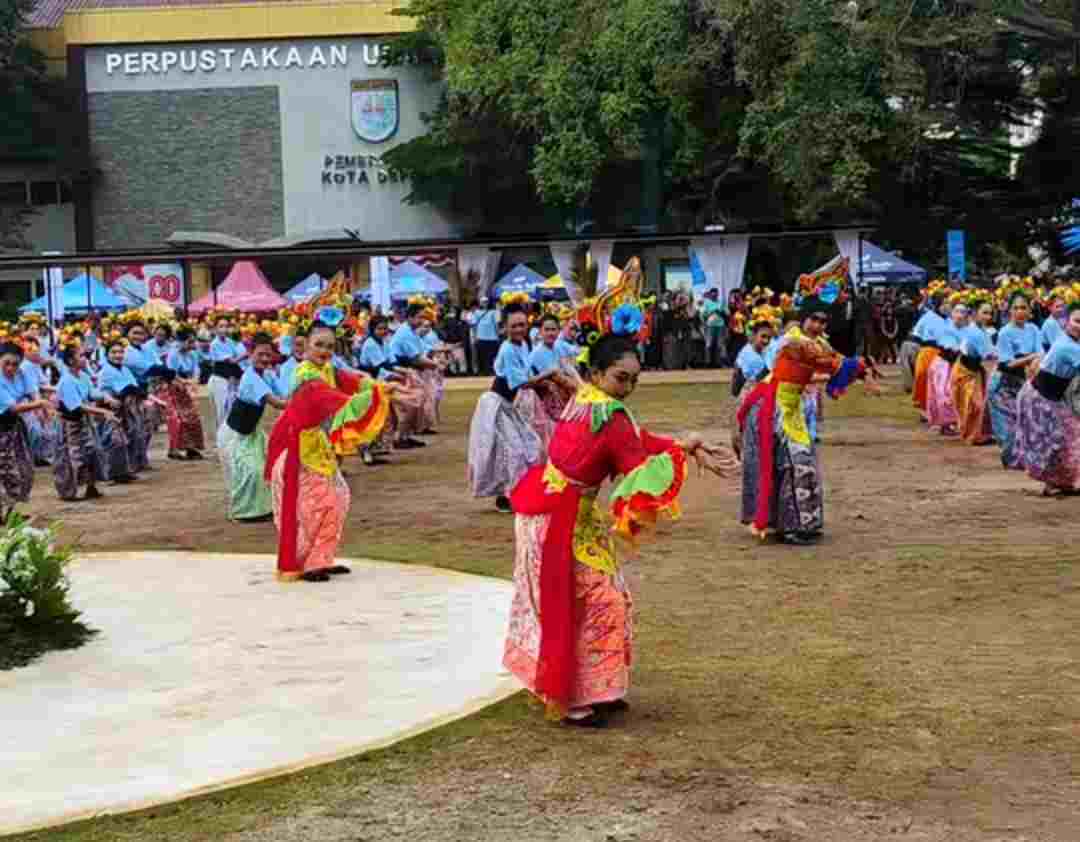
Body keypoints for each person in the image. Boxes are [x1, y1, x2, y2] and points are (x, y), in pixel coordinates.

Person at [503, 280, 736, 727]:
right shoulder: (606, 412)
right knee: (596, 601)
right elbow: (636, 462)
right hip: (561, 519)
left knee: (596, 599)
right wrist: (683, 448)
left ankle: (596, 688)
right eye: (620, 378)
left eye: (634, 379)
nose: (627, 387)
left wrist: (682, 445)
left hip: (552, 510)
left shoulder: (588, 398)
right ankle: (576, 698)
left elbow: (636, 439)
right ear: (596, 375)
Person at [737, 293, 873, 545]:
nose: (818, 325)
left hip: (789, 406)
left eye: (823, 321)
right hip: (772, 406)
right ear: (803, 319)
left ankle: (800, 523)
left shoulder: (818, 342)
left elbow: (833, 361)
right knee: (793, 463)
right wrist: (859, 368)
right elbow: (828, 361)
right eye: (814, 319)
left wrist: (860, 370)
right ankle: (790, 526)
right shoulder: (794, 341)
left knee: (799, 461)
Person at [265, 318, 392, 582]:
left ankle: (320, 558)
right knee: (320, 503)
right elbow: (334, 399)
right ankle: (307, 562)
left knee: (338, 498)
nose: (325, 351)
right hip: (298, 446)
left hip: (314, 442)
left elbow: (350, 380)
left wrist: (373, 385)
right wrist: (375, 395)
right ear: (305, 345)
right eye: (319, 345)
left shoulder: (325, 369)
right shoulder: (306, 376)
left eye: (330, 346)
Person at [467, 302, 544, 513]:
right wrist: (549, 376)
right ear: (504, 328)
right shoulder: (508, 349)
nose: (519, 329)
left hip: (509, 404)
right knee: (514, 450)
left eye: (522, 324)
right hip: (496, 404)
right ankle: (510, 496)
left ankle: (514, 493)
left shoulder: (524, 344)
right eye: (514, 326)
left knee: (530, 445)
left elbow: (528, 372)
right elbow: (521, 382)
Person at [1013, 301, 1080, 496]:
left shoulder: (1071, 342)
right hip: (1039, 398)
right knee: (1054, 441)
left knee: (1068, 437)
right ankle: (1053, 483)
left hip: (1051, 397)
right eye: (1077, 321)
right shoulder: (1068, 346)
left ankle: (1063, 481)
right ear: (1066, 322)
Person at [219, 333, 288, 522]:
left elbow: (285, 393)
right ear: (250, 354)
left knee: (265, 468)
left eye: (268, 355)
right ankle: (242, 512)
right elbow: (277, 402)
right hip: (235, 434)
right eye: (260, 354)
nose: (265, 359)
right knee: (249, 472)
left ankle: (261, 508)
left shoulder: (268, 374)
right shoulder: (250, 378)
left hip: (252, 432)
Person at [53, 345, 117, 502]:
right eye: (81, 355)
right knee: (73, 457)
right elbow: (77, 406)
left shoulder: (82, 375)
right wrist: (103, 411)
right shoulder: (66, 380)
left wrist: (105, 397)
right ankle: (71, 491)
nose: (84, 358)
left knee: (92, 452)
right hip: (70, 424)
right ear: (70, 360)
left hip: (83, 421)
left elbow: (91, 393)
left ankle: (90, 486)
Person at [989, 291, 1042, 468]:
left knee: (1025, 420)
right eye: (1016, 308)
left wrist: (1034, 361)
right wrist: (1031, 357)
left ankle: (1023, 458)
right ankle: (1012, 459)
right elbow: (1008, 364)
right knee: (1008, 426)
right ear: (1009, 311)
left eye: (1023, 308)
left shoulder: (1034, 329)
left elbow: (1040, 354)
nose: (1020, 312)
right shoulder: (1005, 333)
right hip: (1003, 385)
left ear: (1029, 311)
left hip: (1022, 382)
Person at [514, 313, 579, 451]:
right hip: (545, 402)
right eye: (547, 329)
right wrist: (550, 376)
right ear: (540, 332)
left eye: (553, 329)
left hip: (562, 397)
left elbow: (568, 365)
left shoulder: (559, 347)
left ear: (559, 331)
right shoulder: (536, 354)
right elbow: (527, 381)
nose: (550, 333)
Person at [0, 343, 47, 519]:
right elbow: (13, 407)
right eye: (6, 363)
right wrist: (39, 404)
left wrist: (39, 406)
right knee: (6, 472)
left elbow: (32, 391)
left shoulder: (22, 373)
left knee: (25, 469)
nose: (11, 368)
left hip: (15, 427)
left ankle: (11, 512)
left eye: (15, 364)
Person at [388, 303, 437, 446]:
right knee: (408, 405)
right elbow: (416, 358)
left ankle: (405, 436)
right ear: (409, 317)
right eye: (419, 317)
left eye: (423, 317)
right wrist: (435, 365)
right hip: (400, 372)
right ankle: (400, 438)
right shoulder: (406, 333)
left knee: (414, 403)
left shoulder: (411, 331)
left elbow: (420, 354)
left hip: (407, 371)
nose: (422, 321)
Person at [951, 296, 997, 446]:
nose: (988, 317)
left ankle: (978, 433)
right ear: (975, 313)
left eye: (990, 313)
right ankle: (972, 434)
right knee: (974, 404)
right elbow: (988, 355)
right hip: (965, 370)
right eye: (984, 313)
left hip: (974, 370)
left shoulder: (981, 330)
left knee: (978, 403)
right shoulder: (975, 332)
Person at [161, 328, 206, 461]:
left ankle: (190, 448)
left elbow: (196, 369)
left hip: (186, 388)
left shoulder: (192, 354)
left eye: (193, 341)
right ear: (181, 341)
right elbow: (171, 374)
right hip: (172, 388)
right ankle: (174, 449)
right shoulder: (173, 354)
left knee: (193, 417)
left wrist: (194, 380)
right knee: (177, 420)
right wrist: (185, 382)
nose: (193, 345)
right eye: (190, 342)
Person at [926, 300, 968, 436]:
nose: (959, 315)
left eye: (963, 312)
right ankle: (946, 423)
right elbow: (950, 349)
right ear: (952, 314)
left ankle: (953, 423)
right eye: (957, 311)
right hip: (943, 366)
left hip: (958, 366)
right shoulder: (945, 329)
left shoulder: (968, 330)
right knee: (944, 394)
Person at [19, 337, 59, 466]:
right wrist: (41, 408)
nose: (35, 352)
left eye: (36, 349)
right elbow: (33, 392)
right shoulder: (25, 366)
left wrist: (57, 389)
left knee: (51, 424)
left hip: (39, 399)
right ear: (24, 352)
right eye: (30, 349)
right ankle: (36, 456)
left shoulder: (34, 365)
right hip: (28, 403)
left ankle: (44, 455)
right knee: (37, 428)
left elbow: (42, 385)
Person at [911, 289, 950, 419]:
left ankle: (941, 412)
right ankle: (923, 410)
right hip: (928, 352)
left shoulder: (950, 320)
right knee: (923, 379)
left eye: (948, 303)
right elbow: (916, 335)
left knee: (942, 385)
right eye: (944, 303)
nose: (947, 306)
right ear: (938, 304)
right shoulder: (927, 317)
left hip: (945, 354)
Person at [208, 317, 246, 430]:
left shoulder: (230, 342)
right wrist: (246, 355)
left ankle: (228, 436)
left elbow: (236, 359)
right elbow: (231, 361)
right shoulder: (215, 344)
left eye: (226, 326)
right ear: (215, 329)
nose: (224, 329)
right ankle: (221, 437)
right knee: (222, 411)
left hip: (231, 379)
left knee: (231, 410)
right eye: (221, 326)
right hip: (219, 379)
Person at [473, 301, 500, 375]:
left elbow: (496, 325)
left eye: (486, 302)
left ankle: (488, 371)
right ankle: (485, 371)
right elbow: (474, 326)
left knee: (490, 356)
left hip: (491, 337)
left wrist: (497, 335)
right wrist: (475, 337)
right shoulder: (477, 312)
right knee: (484, 356)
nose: (485, 304)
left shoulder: (493, 312)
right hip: (483, 337)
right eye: (483, 302)